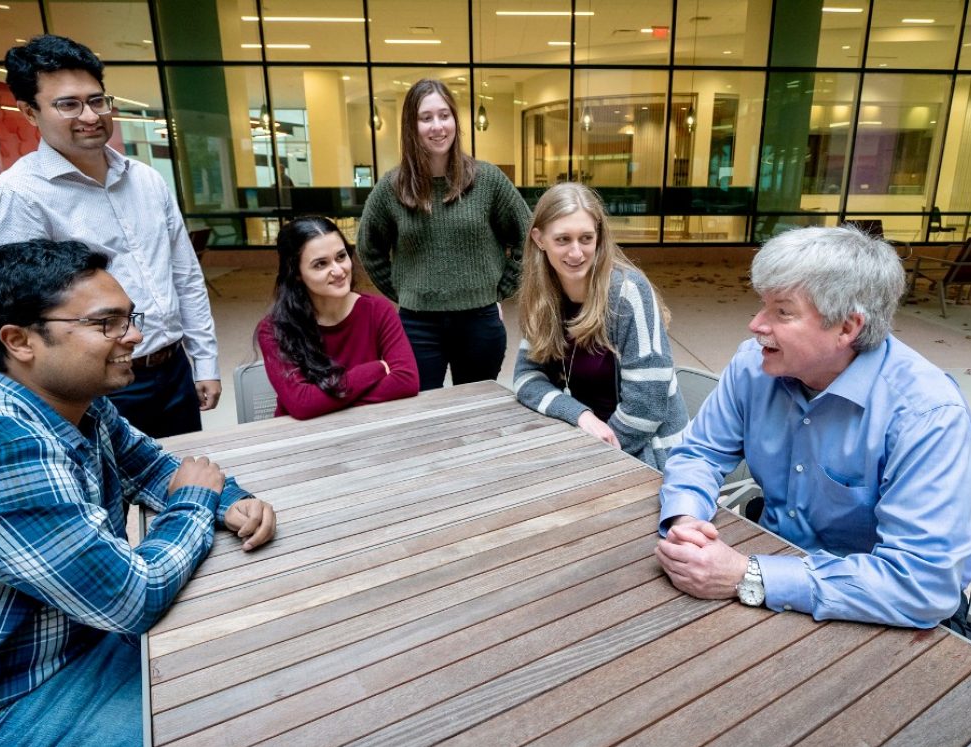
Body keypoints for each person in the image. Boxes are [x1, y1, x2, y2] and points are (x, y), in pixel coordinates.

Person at [0, 240, 276, 747]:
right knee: (239, 717)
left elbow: (158, 469)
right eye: (106, 323)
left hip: (51, 650)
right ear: (21, 341)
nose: (134, 335)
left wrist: (228, 501)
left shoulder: (76, 404)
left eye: (129, 318)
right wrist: (198, 502)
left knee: (246, 655)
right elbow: (133, 597)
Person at [655, 225, 971, 640]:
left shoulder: (928, 415)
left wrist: (747, 575)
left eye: (782, 312)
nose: (756, 324)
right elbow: (700, 454)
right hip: (773, 564)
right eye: (762, 305)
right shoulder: (752, 367)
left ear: (847, 328)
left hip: (876, 611)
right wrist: (686, 522)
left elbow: (922, 584)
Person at [0, 34, 219, 439]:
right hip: (95, 386)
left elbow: (185, 275)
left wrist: (204, 362)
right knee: (106, 496)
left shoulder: (146, 179)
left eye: (97, 100)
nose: (90, 116)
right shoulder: (17, 196)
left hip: (172, 369)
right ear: (29, 112)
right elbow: (22, 314)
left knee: (180, 480)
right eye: (68, 104)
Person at [358, 78, 531, 391]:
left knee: (476, 410)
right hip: (417, 325)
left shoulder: (487, 179)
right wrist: (404, 290)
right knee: (422, 414)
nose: (437, 126)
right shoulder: (391, 187)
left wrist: (500, 289)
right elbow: (368, 248)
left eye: (444, 115)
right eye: (426, 118)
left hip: (480, 321)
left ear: (455, 120)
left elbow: (528, 235)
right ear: (412, 126)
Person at [513, 182, 688, 470]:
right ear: (539, 239)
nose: (576, 252)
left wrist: (594, 456)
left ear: (599, 237)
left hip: (647, 454)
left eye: (586, 238)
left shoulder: (628, 293)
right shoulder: (543, 296)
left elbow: (647, 408)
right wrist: (580, 416)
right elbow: (526, 377)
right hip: (589, 436)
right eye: (562, 240)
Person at [256, 216, 419, 419]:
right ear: (296, 273)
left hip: (369, 428)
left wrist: (323, 402)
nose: (338, 270)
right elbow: (302, 404)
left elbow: (406, 381)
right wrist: (376, 368)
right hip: (303, 438)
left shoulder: (378, 310)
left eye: (341, 257)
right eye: (320, 264)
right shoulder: (273, 329)